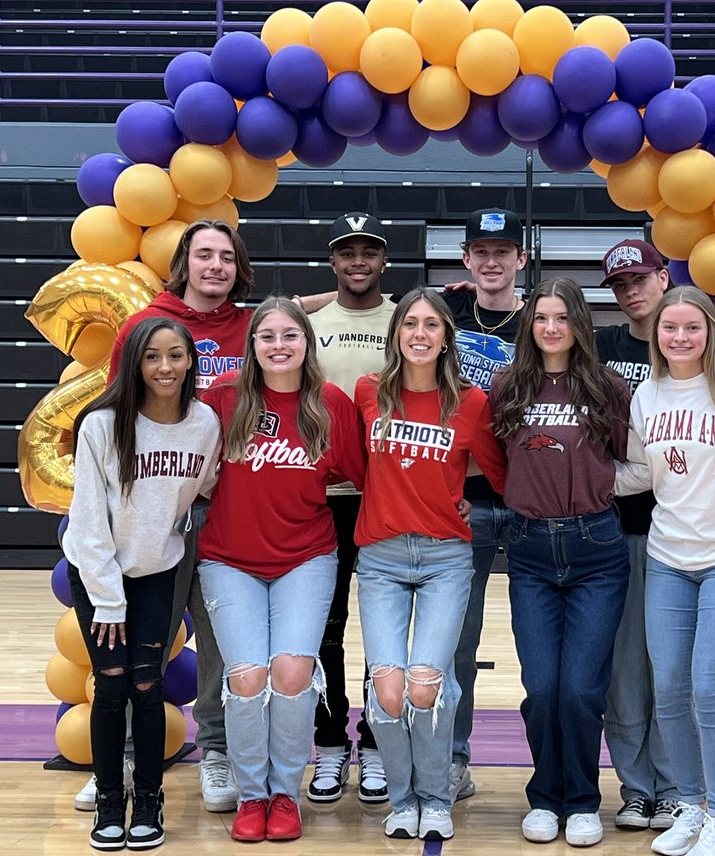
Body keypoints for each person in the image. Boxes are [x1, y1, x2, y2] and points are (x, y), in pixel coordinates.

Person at [75, 219, 253, 814]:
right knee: (132, 639)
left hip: (222, 507)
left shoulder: (252, 327)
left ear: (238, 267)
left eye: (226, 256)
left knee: (221, 638)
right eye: (204, 255)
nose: (215, 266)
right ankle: (121, 757)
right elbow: (119, 416)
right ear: (184, 263)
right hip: (152, 513)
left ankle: (216, 750)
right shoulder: (144, 323)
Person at [197, 297, 368, 842]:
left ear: (307, 343)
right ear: (251, 345)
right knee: (248, 677)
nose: (278, 345)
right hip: (229, 559)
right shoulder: (223, 399)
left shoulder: (330, 403)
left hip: (306, 556)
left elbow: (371, 475)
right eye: (266, 336)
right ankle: (252, 795)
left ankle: (284, 794)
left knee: (292, 673)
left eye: (290, 335)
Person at [616, 286, 715, 856]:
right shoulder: (646, 394)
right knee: (670, 690)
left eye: (691, 327)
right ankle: (690, 806)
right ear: (656, 334)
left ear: (711, 331)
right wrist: (571, 476)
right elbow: (640, 472)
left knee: (708, 687)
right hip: (668, 558)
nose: (680, 337)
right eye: (670, 328)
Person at [353, 289, 508, 843]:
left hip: (446, 557)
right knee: (388, 689)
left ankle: (436, 796)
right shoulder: (369, 391)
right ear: (396, 333)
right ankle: (403, 800)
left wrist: (464, 500)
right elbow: (354, 463)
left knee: (426, 685)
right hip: (381, 557)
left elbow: (500, 472)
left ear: (446, 338)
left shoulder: (470, 402)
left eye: (431, 325)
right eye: (410, 324)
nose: (419, 334)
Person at [62, 317, 222, 851]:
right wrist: (108, 601)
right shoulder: (102, 425)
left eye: (175, 355)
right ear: (134, 363)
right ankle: (110, 801)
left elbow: (205, 485)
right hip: (99, 575)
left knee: (148, 686)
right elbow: (87, 524)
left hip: (158, 572)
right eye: (152, 356)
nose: (165, 367)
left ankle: (149, 802)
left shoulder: (204, 423)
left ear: (191, 361)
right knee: (111, 686)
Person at [489, 277, 631, 848]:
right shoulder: (507, 386)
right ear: (529, 325)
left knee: (580, 690)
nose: (552, 328)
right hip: (529, 550)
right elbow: (497, 460)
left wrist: (593, 487)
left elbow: (630, 461)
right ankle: (545, 797)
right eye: (542, 317)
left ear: (579, 324)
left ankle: (583, 801)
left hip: (596, 549)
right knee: (543, 687)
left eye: (562, 317)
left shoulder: (607, 387)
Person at [305, 212, 394, 805]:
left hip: (389, 494)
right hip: (323, 498)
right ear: (333, 262)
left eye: (368, 252)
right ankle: (331, 741)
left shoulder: (405, 318)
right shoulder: (310, 325)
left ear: (383, 260)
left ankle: (379, 745)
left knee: (382, 629)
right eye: (347, 252)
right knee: (326, 627)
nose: (358, 262)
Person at [593, 239, 681, 833]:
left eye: (640, 279)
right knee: (625, 668)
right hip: (617, 528)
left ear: (664, 277)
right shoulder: (601, 348)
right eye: (620, 285)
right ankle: (636, 787)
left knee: (670, 666)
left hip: (683, 534)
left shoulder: (688, 344)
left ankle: (674, 786)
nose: (631, 292)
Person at [442, 207, 526, 802]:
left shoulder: (544, 319)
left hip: (528, 502)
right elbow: (360, 307)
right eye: (481, 251)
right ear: (466, 258)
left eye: (502, 252)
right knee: (458, 645)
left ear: (521, 258)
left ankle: (553, 773)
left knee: (541, 648)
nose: (491, 261)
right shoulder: (443, 312)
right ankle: (453, 759)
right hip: (463, 502)